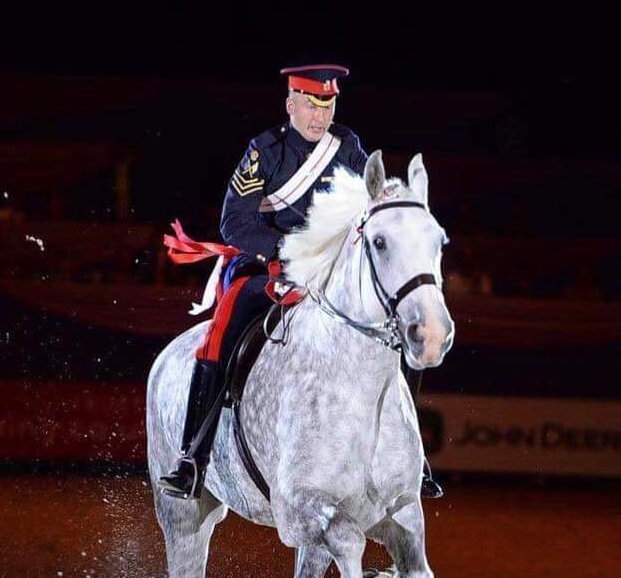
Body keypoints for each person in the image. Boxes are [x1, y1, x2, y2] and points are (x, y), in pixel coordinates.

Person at [159, 64, 443, 499]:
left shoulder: (346, 147)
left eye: (327, 106)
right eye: (310, 105)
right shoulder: (265, 151)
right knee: (221, 333)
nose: (319, 116)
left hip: (328, 273)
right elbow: (234, 222)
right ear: (291, 104)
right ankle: (192, 457)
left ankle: (409, 456)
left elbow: (366, 210)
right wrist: (284, 250)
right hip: (269, 268)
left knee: (389, 325)